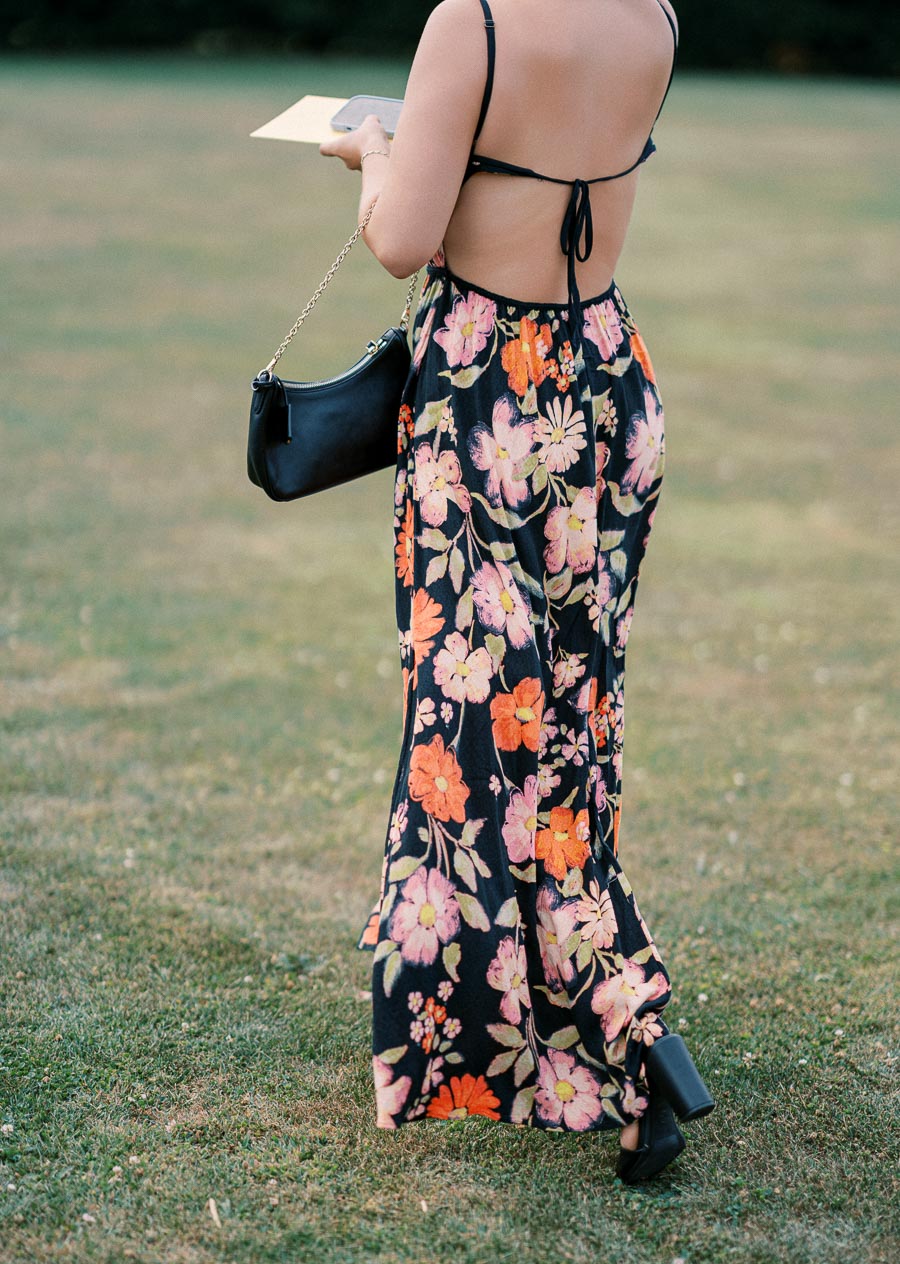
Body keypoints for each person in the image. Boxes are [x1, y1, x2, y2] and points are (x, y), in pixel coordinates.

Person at [320, 0, 715, 1183]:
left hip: (490, 401)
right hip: (605, 383)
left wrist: (373, 150)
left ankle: (525, 1042)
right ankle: (620, 1020)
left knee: (472, 736)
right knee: (569, 728)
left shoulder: (472, 23)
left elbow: (401, 238)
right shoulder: (653, 16)